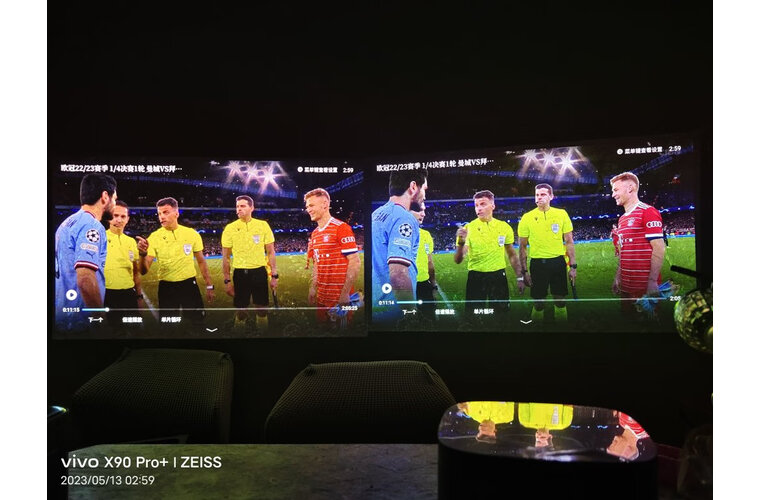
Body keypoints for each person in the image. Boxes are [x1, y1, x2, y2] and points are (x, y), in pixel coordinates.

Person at [136, 197, 215, 328]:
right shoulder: (154, 237)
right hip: (167, 288)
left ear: (176, 213)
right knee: (168, 327)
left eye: (165, 212)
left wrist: (209, 286)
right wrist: (142, 255)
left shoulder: (192, 234)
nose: (161, 216)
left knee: (197, 323)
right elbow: (144, 271)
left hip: (189, 285)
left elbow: (201, 261)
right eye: (159, 213)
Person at [55, 173, 117, 332]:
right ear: (105, 196)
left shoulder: (66, 223)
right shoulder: (92, 226)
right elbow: (85, 279)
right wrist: (100, 321)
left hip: (63, 313)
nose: (115, 204)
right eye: (115, 199)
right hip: (81, 321)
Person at [453, 190, 523, 319]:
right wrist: (461, 242)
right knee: (473, 318)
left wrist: (520, 277)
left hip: (498, 276)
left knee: (501, 317)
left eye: (483, 204)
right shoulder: (468, 228)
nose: (478, 208)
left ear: (493, 206)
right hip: (476, 277)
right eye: (476, 205)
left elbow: (512, 254)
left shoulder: (504, 227)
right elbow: (458, 259)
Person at [371, 168, 428, 320]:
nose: (424, 195)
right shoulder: (404, 218)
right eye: (424, 189)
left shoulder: (375, 214)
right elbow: (398, 274)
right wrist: (410, 313)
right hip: (394, 314)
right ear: (413, 187)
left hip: (376, 307)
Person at [517, 183, 576, 324]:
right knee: (538, 303)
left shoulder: (561, 214)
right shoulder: (527, 217)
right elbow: (522, 247)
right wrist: (524, 272)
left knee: (560, 301)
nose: (539, 197)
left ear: (551, 196)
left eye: (543, 194)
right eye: (537, 195)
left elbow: (569, 241)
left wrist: (573, 266)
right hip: (538, 264)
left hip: (558, 262)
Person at [610, 172, 666, 316]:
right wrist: (618, 277)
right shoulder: (622, 219)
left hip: (644, 288)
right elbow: (623, 251)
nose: (613, 195)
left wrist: (652, 281)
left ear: (630, 188)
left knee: (647, 325)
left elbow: (659, 248)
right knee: (627, 323)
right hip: (626, 288)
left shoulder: (648, 212)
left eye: (616, 190)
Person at [304, 188, 361, 328]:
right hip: (322, 297)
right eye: (307, 206)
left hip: (339, 298)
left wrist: (345, 294)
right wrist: (313, 287)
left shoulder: (341, 228)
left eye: (311, 205)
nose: (308, 209)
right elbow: (317, 263)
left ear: (325, 204)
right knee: (322, 331)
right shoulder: (315, 233)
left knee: (341, 333)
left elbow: (355, 262)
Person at [220, 195, 278, 331]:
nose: (238, 209)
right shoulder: (230, 228)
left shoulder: (263, 225)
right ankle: (239, 333)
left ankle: (263, 334)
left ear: (252, 208)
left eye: (242, 206)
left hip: (259, 272)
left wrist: (274, 275)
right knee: (241, 311)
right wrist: (227, 281)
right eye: (237, 206)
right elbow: (226, 258)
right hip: (240, 273)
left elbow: (271, 252)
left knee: (262, 310)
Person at [104, 200, 144, 329]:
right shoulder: (100, 238)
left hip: (129, 294)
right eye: (115, 215)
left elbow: (135, 272)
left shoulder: (131, 242)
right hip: (108, 294)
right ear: (109, 217)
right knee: (113, 331)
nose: (119, 220)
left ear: (127, 219)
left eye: (123, 216)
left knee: (134, 330)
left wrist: (139, 297)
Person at [409, 201, 438, 320]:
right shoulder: (399, 234)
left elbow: (429, 262)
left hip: (423, 285)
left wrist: (433, 285)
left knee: (427, 319)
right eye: (419, 210)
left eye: (424, 211)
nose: (423, 214)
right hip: (407, 287)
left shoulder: (426, 235)